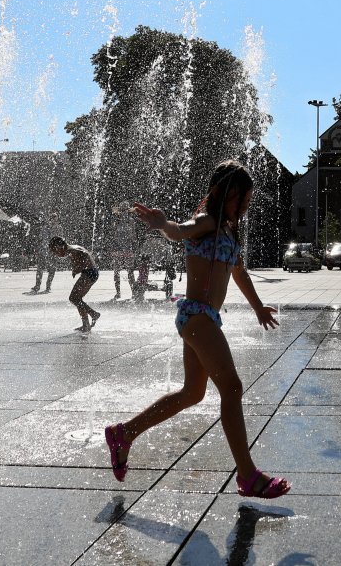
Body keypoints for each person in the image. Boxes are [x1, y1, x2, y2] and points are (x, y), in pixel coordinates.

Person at [106, 160, 290, 499]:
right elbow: (180, 230)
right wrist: (163, 224)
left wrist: (258, 306)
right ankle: (247, 476)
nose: (245, 206)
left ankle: (124, 433)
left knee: (193, 393)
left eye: (248, 200)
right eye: (241, 199)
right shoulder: (207, 222)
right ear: (222, 192)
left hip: (205, 319)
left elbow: (238, 271)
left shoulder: (230, 231)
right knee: (232, 388)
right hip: (196, 316)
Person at [48, 235, 101, 331]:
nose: (56, 254)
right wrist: (77, 268)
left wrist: (77, 268)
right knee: (76, 298)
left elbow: (83, 255)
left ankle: (88, 321)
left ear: (59, 246)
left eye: (55, 251)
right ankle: (92, 316)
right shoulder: (73, 248)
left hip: (89, 273)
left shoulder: (72, 251)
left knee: (74, 298)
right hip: (91, 272)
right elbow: (84, 256)